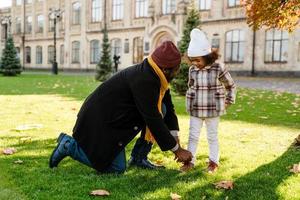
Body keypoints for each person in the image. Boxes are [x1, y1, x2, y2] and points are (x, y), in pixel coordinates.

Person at [49, 41, 192, 174]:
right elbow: (153, 118)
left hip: (115, 117)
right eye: (177, 68)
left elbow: (168, 107)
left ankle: (138, 158)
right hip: (101, 122)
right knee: (116, 169)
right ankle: (68, 145)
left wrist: (174, 136)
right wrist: (177, 150)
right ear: (166, 69)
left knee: (164, 108)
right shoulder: (145, 79)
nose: (178, 71)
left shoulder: (155, 73)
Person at [181, 28, 236, 173]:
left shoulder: (218, 68)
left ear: (207, 56)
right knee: (193, 135)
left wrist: (228, 101)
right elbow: (191, 86)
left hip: (213, 109)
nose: (195, 63)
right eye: (192, 61)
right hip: (196, 109)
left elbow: (230, 85)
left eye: (198, 60)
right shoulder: (192, 70)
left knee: (212, 136)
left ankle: (213, 162)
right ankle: (189, 161)